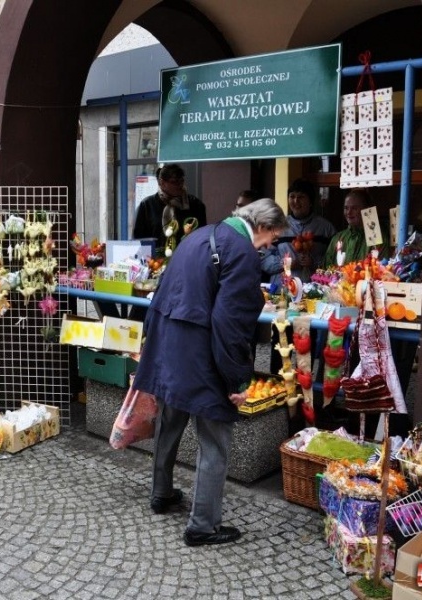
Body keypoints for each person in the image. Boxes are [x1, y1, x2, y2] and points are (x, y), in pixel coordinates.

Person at [132, 198, 288, 547]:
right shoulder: (243, 252)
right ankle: (202, 525)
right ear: (262, 227)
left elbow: (164, 292)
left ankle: (161, 493)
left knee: (169, 422)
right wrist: (237, 380)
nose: (269, 246)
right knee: (215, 438)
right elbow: (230, 325)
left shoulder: (200, 235)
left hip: (169, 345)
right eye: (273, 238)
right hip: (202, 354)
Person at [260, 178, 335, 285]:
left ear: (311, 201)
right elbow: (263, 258)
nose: (295, 201)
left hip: (315, 291)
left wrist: (314, 262)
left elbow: (335, 261)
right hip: (282, 291)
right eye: (292, 197)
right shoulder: (276, 227)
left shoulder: (326, 228)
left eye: (301, 197)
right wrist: (285, 263)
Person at [133, 163, 207, 251]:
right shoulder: (147, 205)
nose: (179, 185)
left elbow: (202, 236)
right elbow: (139, 239)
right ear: (162, 182)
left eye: (181, 181)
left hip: (187, 257)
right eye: (174, 182)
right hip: (156, 261)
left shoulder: (195, 204)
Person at [324, 189, 390, 267]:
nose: (349, 212)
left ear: (366, 209)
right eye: (346, 208)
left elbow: (382, 270)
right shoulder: (337, 238)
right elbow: (326, 270)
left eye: (354, 208)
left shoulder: (378, 238)